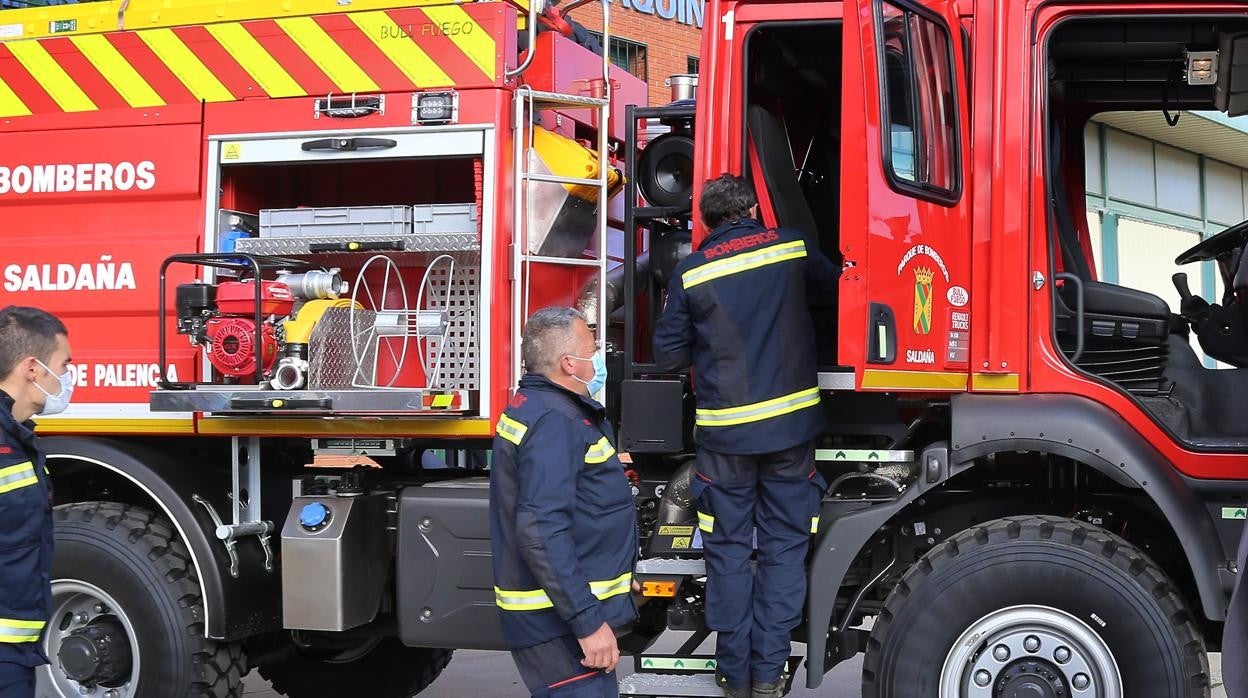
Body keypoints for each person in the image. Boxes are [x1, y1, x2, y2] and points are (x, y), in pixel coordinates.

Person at [652, 175, 839, 698]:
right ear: (755, 207)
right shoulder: (794, 247)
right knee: (783, 550)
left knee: (729, 553)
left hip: (725, 442)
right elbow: (837, 291)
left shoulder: (690, 274)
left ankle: (733, 675)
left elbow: (668, 356)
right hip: (791, 433)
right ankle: (767, 675)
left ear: (706, 222)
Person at [490, 306, 637, 698]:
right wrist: (587, 622)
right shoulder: (558, 422)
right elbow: (542, 530)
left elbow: (580, 511)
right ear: (569, 364)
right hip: (556, 623)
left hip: (553, 613)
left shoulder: (537, 407)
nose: (600, 358)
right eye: (594, 348)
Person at [0, 306, 73, 698]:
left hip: (15, 650)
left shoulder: (19, 439)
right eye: (63, 364)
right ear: (32, 368)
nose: (66, 378)